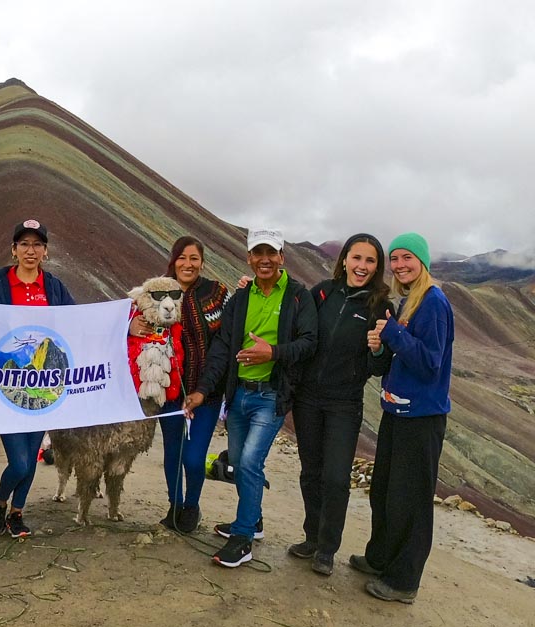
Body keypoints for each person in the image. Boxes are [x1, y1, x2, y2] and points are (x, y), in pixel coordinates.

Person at [184, 228, 317, 567]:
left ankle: (242, 539)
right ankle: (253, 520)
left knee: (248, 463)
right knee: (240, 463)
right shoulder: (240, 300)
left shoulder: (299, 298)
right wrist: (201, 390)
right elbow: (223, 347)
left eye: (271, 253)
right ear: (249, 258)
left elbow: (308, 343)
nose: (265, 260)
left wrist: (271, 352)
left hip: (270, 397)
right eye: (258, 253)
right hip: (239, 396)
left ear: (282, 258)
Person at [351, 232, 454, 603]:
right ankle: (380, 557)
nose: (399, 265)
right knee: (385, 490)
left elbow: (430, 363)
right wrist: (384, 345)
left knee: (410, 499)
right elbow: (404, 356)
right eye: (394, 259)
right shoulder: (410, 300)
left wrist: (393, 332)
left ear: (422, 261)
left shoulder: (433, 302)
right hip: (397, 410)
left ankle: (404, 581)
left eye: (407, 257)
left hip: (422, 417)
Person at [286, 234, 395, 576]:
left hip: (344, 403)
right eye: (356, 258)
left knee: (335, 478)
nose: (361, 266)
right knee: (311, 472)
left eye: (370, 261)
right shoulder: (322, 292)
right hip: (308, 399)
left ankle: (327, 549)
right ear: (344, 260)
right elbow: (297, 326)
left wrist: (378, 348)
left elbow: (380, 367)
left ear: (377, 267)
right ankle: (311, 537)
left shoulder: (380, 306)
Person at [0, 218, 76, 537]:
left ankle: (17, 513)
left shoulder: (55, 288)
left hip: (43, 387)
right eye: (24, 244)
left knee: (32, 457)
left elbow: (80, 323)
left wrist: (123, 324)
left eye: (37, 244)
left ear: (45, 251)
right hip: (6, 385)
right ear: (14, 250)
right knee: (19, 461)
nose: (30, 250)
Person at [132, 236, 230, 532]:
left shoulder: (217, 293)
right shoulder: (157, 290)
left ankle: (192, 506)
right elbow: (132, 317)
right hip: (170, 391)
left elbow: (224, 343)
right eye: (182, 258)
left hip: (207, 392)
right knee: (173, 451)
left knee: (194, 456)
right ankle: (175, 506)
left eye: (194, 258)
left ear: (202, 262)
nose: (188, 264)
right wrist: (131, 326)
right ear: (173, 261)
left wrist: (203, 389)